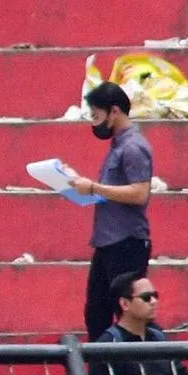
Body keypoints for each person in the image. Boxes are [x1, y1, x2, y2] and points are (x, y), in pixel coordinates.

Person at [69, 82, 154, 341]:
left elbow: (140, 193)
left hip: (127, 241)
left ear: (114, 111)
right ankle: (102, 365)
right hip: (108, 241)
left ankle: (157, 359)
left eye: (97, 115)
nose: (94, 122)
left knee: (132, 312)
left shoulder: (133, 147)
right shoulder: (118, 146)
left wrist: (94, 187)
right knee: (97, 312)